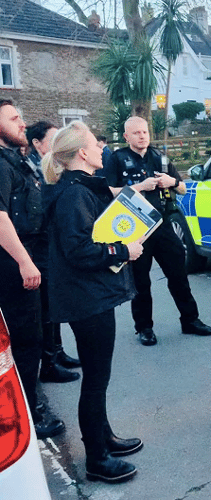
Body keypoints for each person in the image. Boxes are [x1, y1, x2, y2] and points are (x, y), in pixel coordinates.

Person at [43, 121, 144, 483]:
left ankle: (104, 437)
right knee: (96, 379)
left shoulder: (79, 189)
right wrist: (123, 249)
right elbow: (79, 250)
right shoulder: (75, 194)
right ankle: (97, 458)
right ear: (82, 153)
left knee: (99, 376)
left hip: (91, 295)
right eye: (95, 144)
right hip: (87, 299)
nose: (103, 148)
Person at [103, 116, 211, 346]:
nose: (142, 136)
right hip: (135, 227)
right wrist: (140, 187)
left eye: (144, 132)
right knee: (141, 282)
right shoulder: (117, 159)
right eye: (136, 133)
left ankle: (190, 320)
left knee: (178, 275)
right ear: (126, 137)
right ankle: (144, 328)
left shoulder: (160, 158)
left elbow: (182, 188)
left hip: (161, 224)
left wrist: (171, 182)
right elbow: (108, 191)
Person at [0, 100, 65, 439]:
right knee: (25, 340)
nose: (22, 123)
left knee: (36, 334)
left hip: (32, 255)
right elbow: (0, 219)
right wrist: (24, 261)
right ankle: (29, 414)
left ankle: (33, 397)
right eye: (14, 119)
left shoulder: (17, 160)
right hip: (13, 265)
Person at [26, 120, 82, 384]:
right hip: (38, 250)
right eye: (53, 139)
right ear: (37, 144)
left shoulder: (48, 170)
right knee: (47, 310)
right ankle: (48, 362)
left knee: (54, 306)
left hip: (49, 248)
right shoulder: (32, 170)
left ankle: (57, 353)